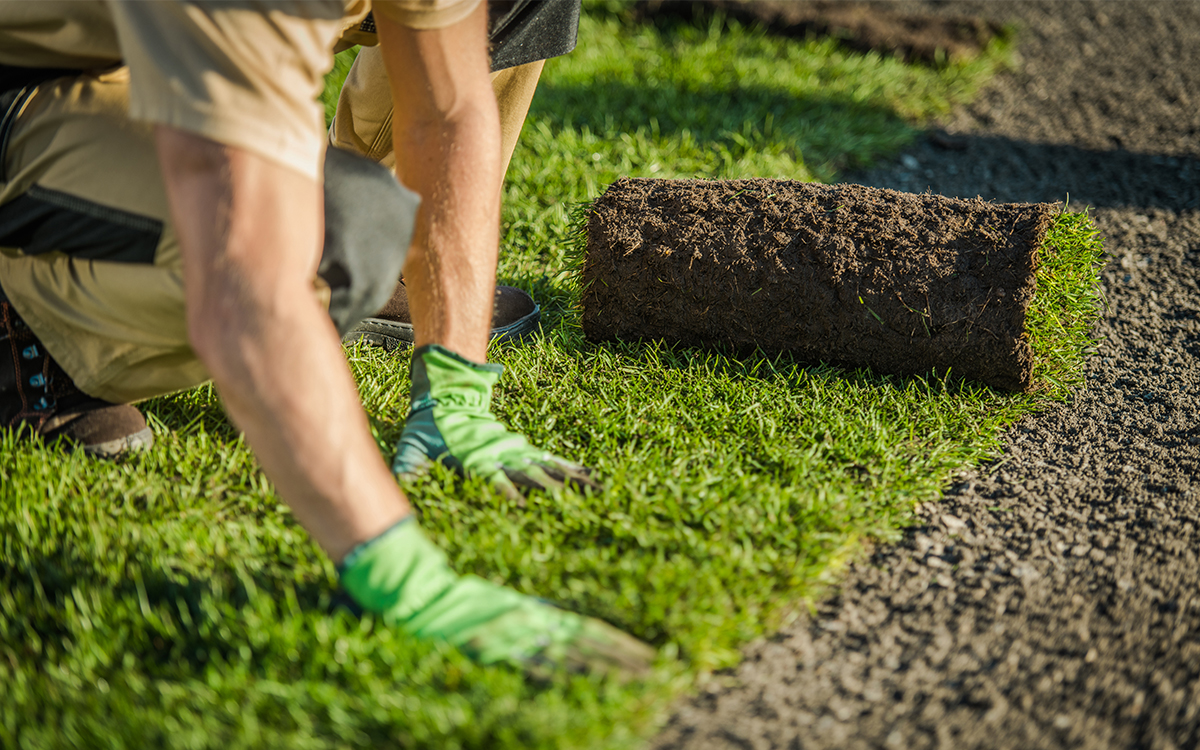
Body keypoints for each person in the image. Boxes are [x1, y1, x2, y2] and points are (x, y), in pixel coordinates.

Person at [0, 0, 653, 677]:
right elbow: (248, 270)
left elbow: (448, 110)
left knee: (339, 227)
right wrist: (397, 571)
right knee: (341, 229)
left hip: (143, 49)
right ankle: (29, 326)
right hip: (33, 82)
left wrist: (454, 394)